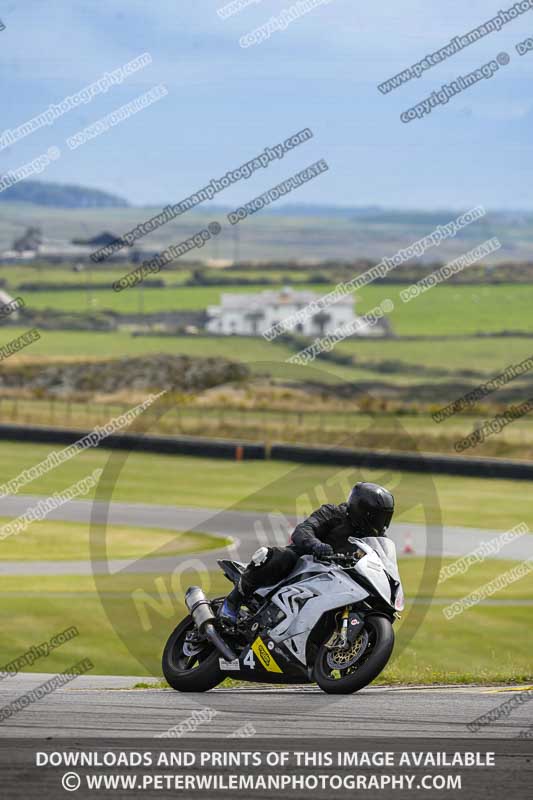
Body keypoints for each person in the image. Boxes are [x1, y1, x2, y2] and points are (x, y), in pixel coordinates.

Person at [219, 481, 395, 625]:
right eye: (378, 517)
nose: (382, 523)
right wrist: (316, 545)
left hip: (338, 581)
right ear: (363, 511)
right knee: (281, 556)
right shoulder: (334, 514)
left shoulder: (375, 539)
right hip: (305, 567)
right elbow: (303, 529)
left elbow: (382, 564)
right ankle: (232, 602)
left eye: (385, 518)